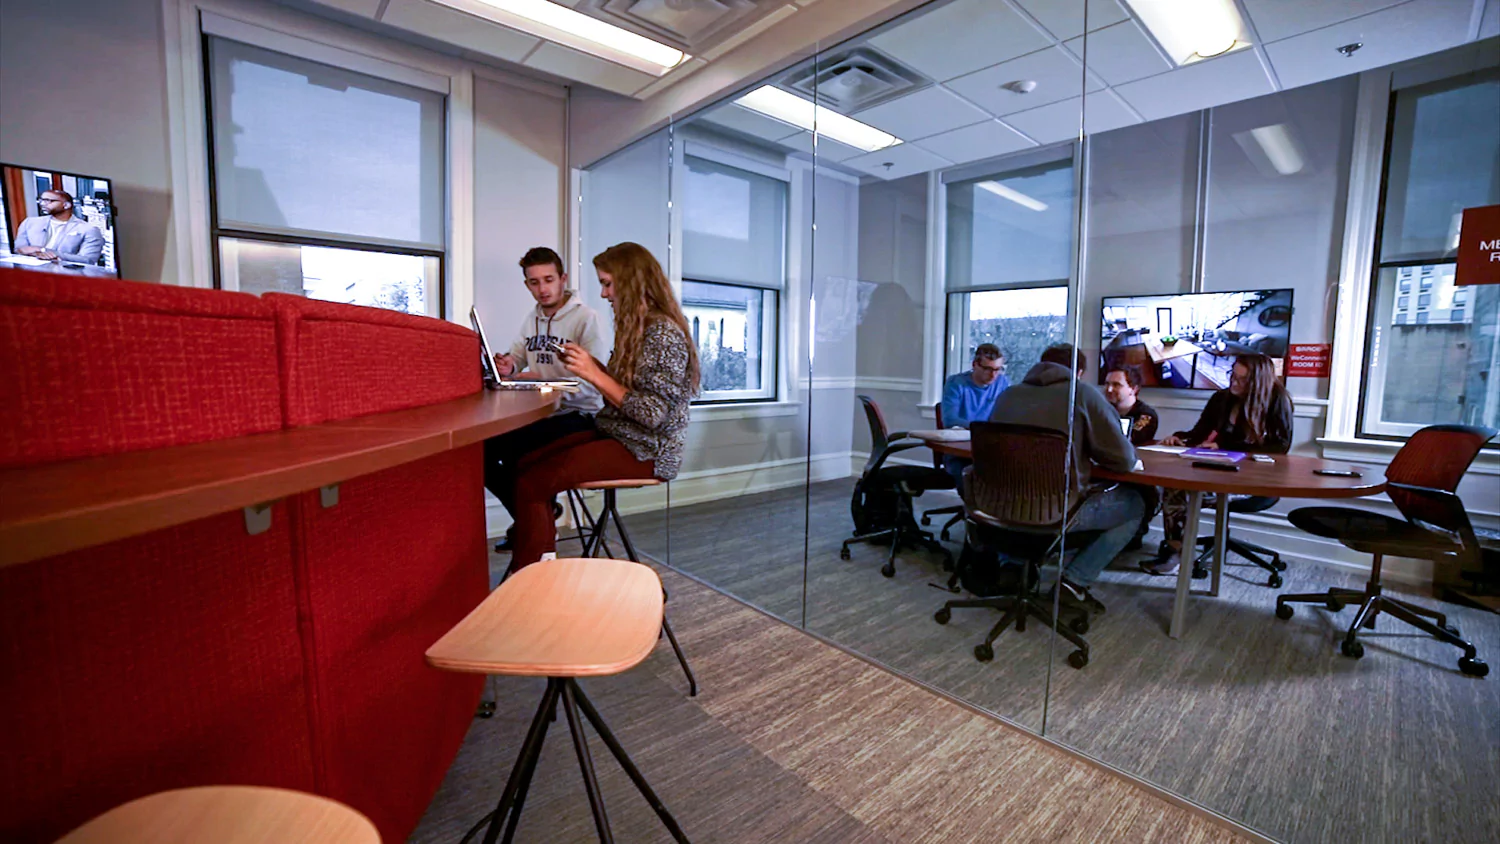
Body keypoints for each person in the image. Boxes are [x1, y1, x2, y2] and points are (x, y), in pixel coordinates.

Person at [506, 242, 699, 570]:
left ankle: (534, 578)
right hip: (618, 432)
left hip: (648, 449)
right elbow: (629, 390)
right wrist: (593, 366)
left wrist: (595, 374)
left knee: (530, 483)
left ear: (632, 282)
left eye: (608, 284)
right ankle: (539, 567)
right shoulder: (636, 326)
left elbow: (653, 415)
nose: (605, 294)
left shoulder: (662, 333)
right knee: (523, 463)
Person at [983, 343, 1143, 612]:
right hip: (1053, 509)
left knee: (1026, 495)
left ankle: (1012, 565)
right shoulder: (1082, 395)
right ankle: (1073, 582)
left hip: (1001, 504)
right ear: (1078, 372)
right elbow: (1124, 460)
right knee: (1135, 504)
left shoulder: (1008, 395)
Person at [484, 247, 610, 550]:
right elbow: (518, 355)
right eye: (534, 282)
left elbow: (593, 384)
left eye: (548, 280)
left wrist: (543, 381)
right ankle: (536, 515)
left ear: (563, 279)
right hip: (543, 415)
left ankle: (535, 524)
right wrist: (509, 366)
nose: (542, 289)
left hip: (580, 416)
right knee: (483, 450)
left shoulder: (586, 319)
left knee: (516, 450)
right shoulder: (533, 319)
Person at [1141, 353, 1294, 576]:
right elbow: (1199, 434)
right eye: (1233, 375)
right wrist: (1179, 438)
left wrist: (1226, 446)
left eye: (1242, 380)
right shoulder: (1221, 399)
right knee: (1173, 484)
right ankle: (1175, 550)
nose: (1234, 382)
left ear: (1257, 383)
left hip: (1252, 483)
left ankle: (1177, 554)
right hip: (1216, 472)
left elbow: (1280, 447)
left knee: (1180, 493)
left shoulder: (1277, 400)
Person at [1103, 365, 1159, 551]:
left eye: (1116, 385)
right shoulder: (1100, 409)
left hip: (1133, 472)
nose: (1109, 389)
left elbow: (1126, 443)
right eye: (1107, 384)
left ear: (1133, 389)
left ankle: (1133, 531)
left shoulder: (1146, 415)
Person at [939, 343, 1008, 484]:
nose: (993, 375)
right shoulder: (956, 383)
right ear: (975, 364)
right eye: (988, 369)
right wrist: (983, 429)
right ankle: (974, 505)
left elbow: (1008, 415)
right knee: (969, 478)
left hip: (990, 448)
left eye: (998, 369)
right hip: (959, 450)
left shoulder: (1002, 383)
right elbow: (950, 420)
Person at [14, 190, 105, 265]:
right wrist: (35, 252)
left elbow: (88, 260)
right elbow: (19, 249)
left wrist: (47, 252)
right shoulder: (29, 223)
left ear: (66, 205)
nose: (42, 204)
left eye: (48, 201)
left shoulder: (88, 229)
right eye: (41, 200)